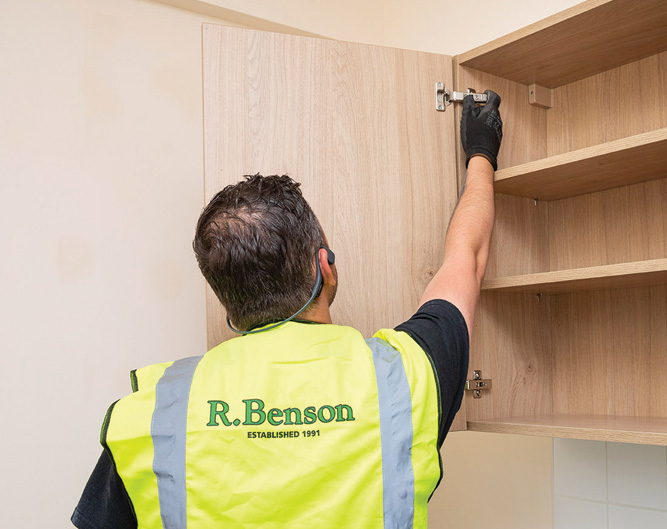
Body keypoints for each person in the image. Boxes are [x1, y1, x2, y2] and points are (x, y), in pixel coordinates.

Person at [71, 90, 503, 529]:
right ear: (325, 267)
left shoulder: (153, 413)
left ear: (229, 303)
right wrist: (481, 152)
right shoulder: (406, 379)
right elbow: (465, 259)